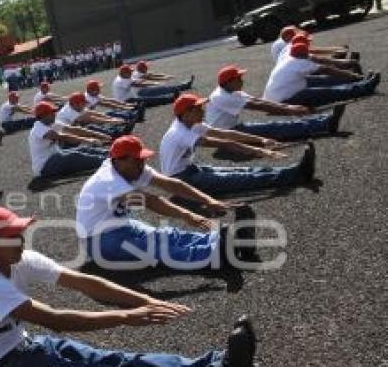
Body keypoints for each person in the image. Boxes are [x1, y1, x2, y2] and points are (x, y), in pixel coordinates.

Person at [0, 206, 262, 367]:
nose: (21, 241)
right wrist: (127, 316)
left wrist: (144, 300)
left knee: (119, 360)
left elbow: (86, 282)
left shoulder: (21, 259)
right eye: (13, 237)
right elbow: (56, 319)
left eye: (20, 233)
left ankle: (218, 366)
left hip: (27, 346)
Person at [77, 135, 256, 269]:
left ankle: (221, 240)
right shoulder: (107, 180)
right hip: (99, 241)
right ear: (119, 161)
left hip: (122, 225)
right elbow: (150, 201)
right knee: (156, 248)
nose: (142, 164)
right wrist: (187, 214)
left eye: (143, 159)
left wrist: (209, 201)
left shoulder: (130, 168)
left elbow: (171, 184)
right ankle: (214, 254)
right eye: (137, 160)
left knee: (168, 235)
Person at [161, 94, 316, 195]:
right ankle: (297, 175)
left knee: (243, 169)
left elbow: (225, 133)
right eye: (199, 109)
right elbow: (225, 143)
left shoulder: (190, 124)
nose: (203, 111)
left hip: (188, 170)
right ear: (187, 114)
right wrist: (259, 151)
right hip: (180, 181)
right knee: (238, 178)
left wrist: (261, 140)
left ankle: (293, 171)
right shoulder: (180, 133)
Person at [207, 65, 344, 140]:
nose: (242, 81)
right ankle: (325, 124)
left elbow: (258, 100)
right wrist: (290, 110)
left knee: (273, 126)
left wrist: (288, 107)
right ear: (229, 82)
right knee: (275, 128)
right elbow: (258, 106)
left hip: (230, 129)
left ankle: (324, 121)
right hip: (226, 135)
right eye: (239, 78)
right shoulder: (223, 96)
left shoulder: (230, 91)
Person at [262, 42, 379, 107]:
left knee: (321, 80)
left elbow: (322, 63)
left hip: (282, 92)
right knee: (328, 92)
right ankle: (364, 87)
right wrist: (353, 75)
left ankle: (357, 81)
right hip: (283, 100)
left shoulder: (289, 55)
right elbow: (327, 69)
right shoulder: (300, 62)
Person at [28, 101, 110, 179]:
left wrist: (100, 135)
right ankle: (109, 161)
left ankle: (111, 154)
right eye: (51, 113)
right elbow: (63, 137)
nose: (54, 114)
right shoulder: (38, 128)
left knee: (83, 149)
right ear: (43, 116)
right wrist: (88, 140)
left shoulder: (52, 123)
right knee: (75, 156)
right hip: (44, 166)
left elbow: (73, 129)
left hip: (55, 156)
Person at [57, 92, 135, 140]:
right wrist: (112, 121)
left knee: (101, 118)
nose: (85, 105)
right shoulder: (68, 111)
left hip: (73, 129)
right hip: (65, 137)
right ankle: (115, 134)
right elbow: (90, 118)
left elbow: (91, 113)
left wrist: (112, 119)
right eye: (83, 103)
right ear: (76, 104)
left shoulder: (75, 106)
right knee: (90, 127)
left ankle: (115, 131)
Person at [112, 65, 178, 107]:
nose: (131, 73)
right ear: (124, 73)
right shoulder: (121, 80)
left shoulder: (124, 77)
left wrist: (152, 82)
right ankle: (171, 98)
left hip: (131, 98)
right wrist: (154, 83)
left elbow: (138, 81)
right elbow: (138, 84)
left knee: (151, 99)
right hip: (126, 101)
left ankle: (171, 97)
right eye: (129, 72)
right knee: (151, 100)